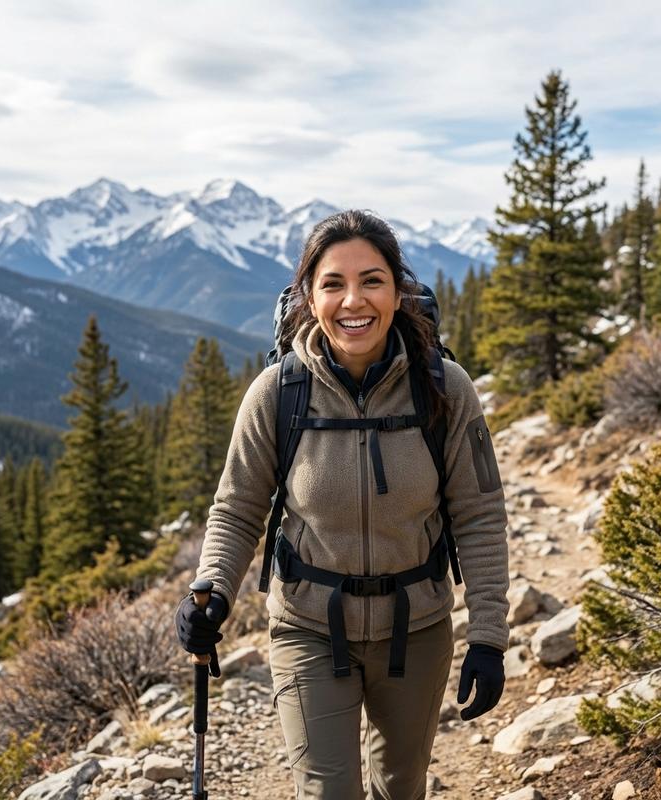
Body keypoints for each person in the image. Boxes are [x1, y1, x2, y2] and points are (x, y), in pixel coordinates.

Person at [175, 209, 510, 799]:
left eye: (372, 280)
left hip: (417, 624)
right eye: (333, 283)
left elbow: (479, 514)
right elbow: (237, 507)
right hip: (308, 624)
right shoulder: (278, 393)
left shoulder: (445, 388)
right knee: (327, 792)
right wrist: (213, 591)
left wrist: (487, 636)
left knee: (400, 787)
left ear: (398, 291)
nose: (353, 300)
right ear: (309, 295)